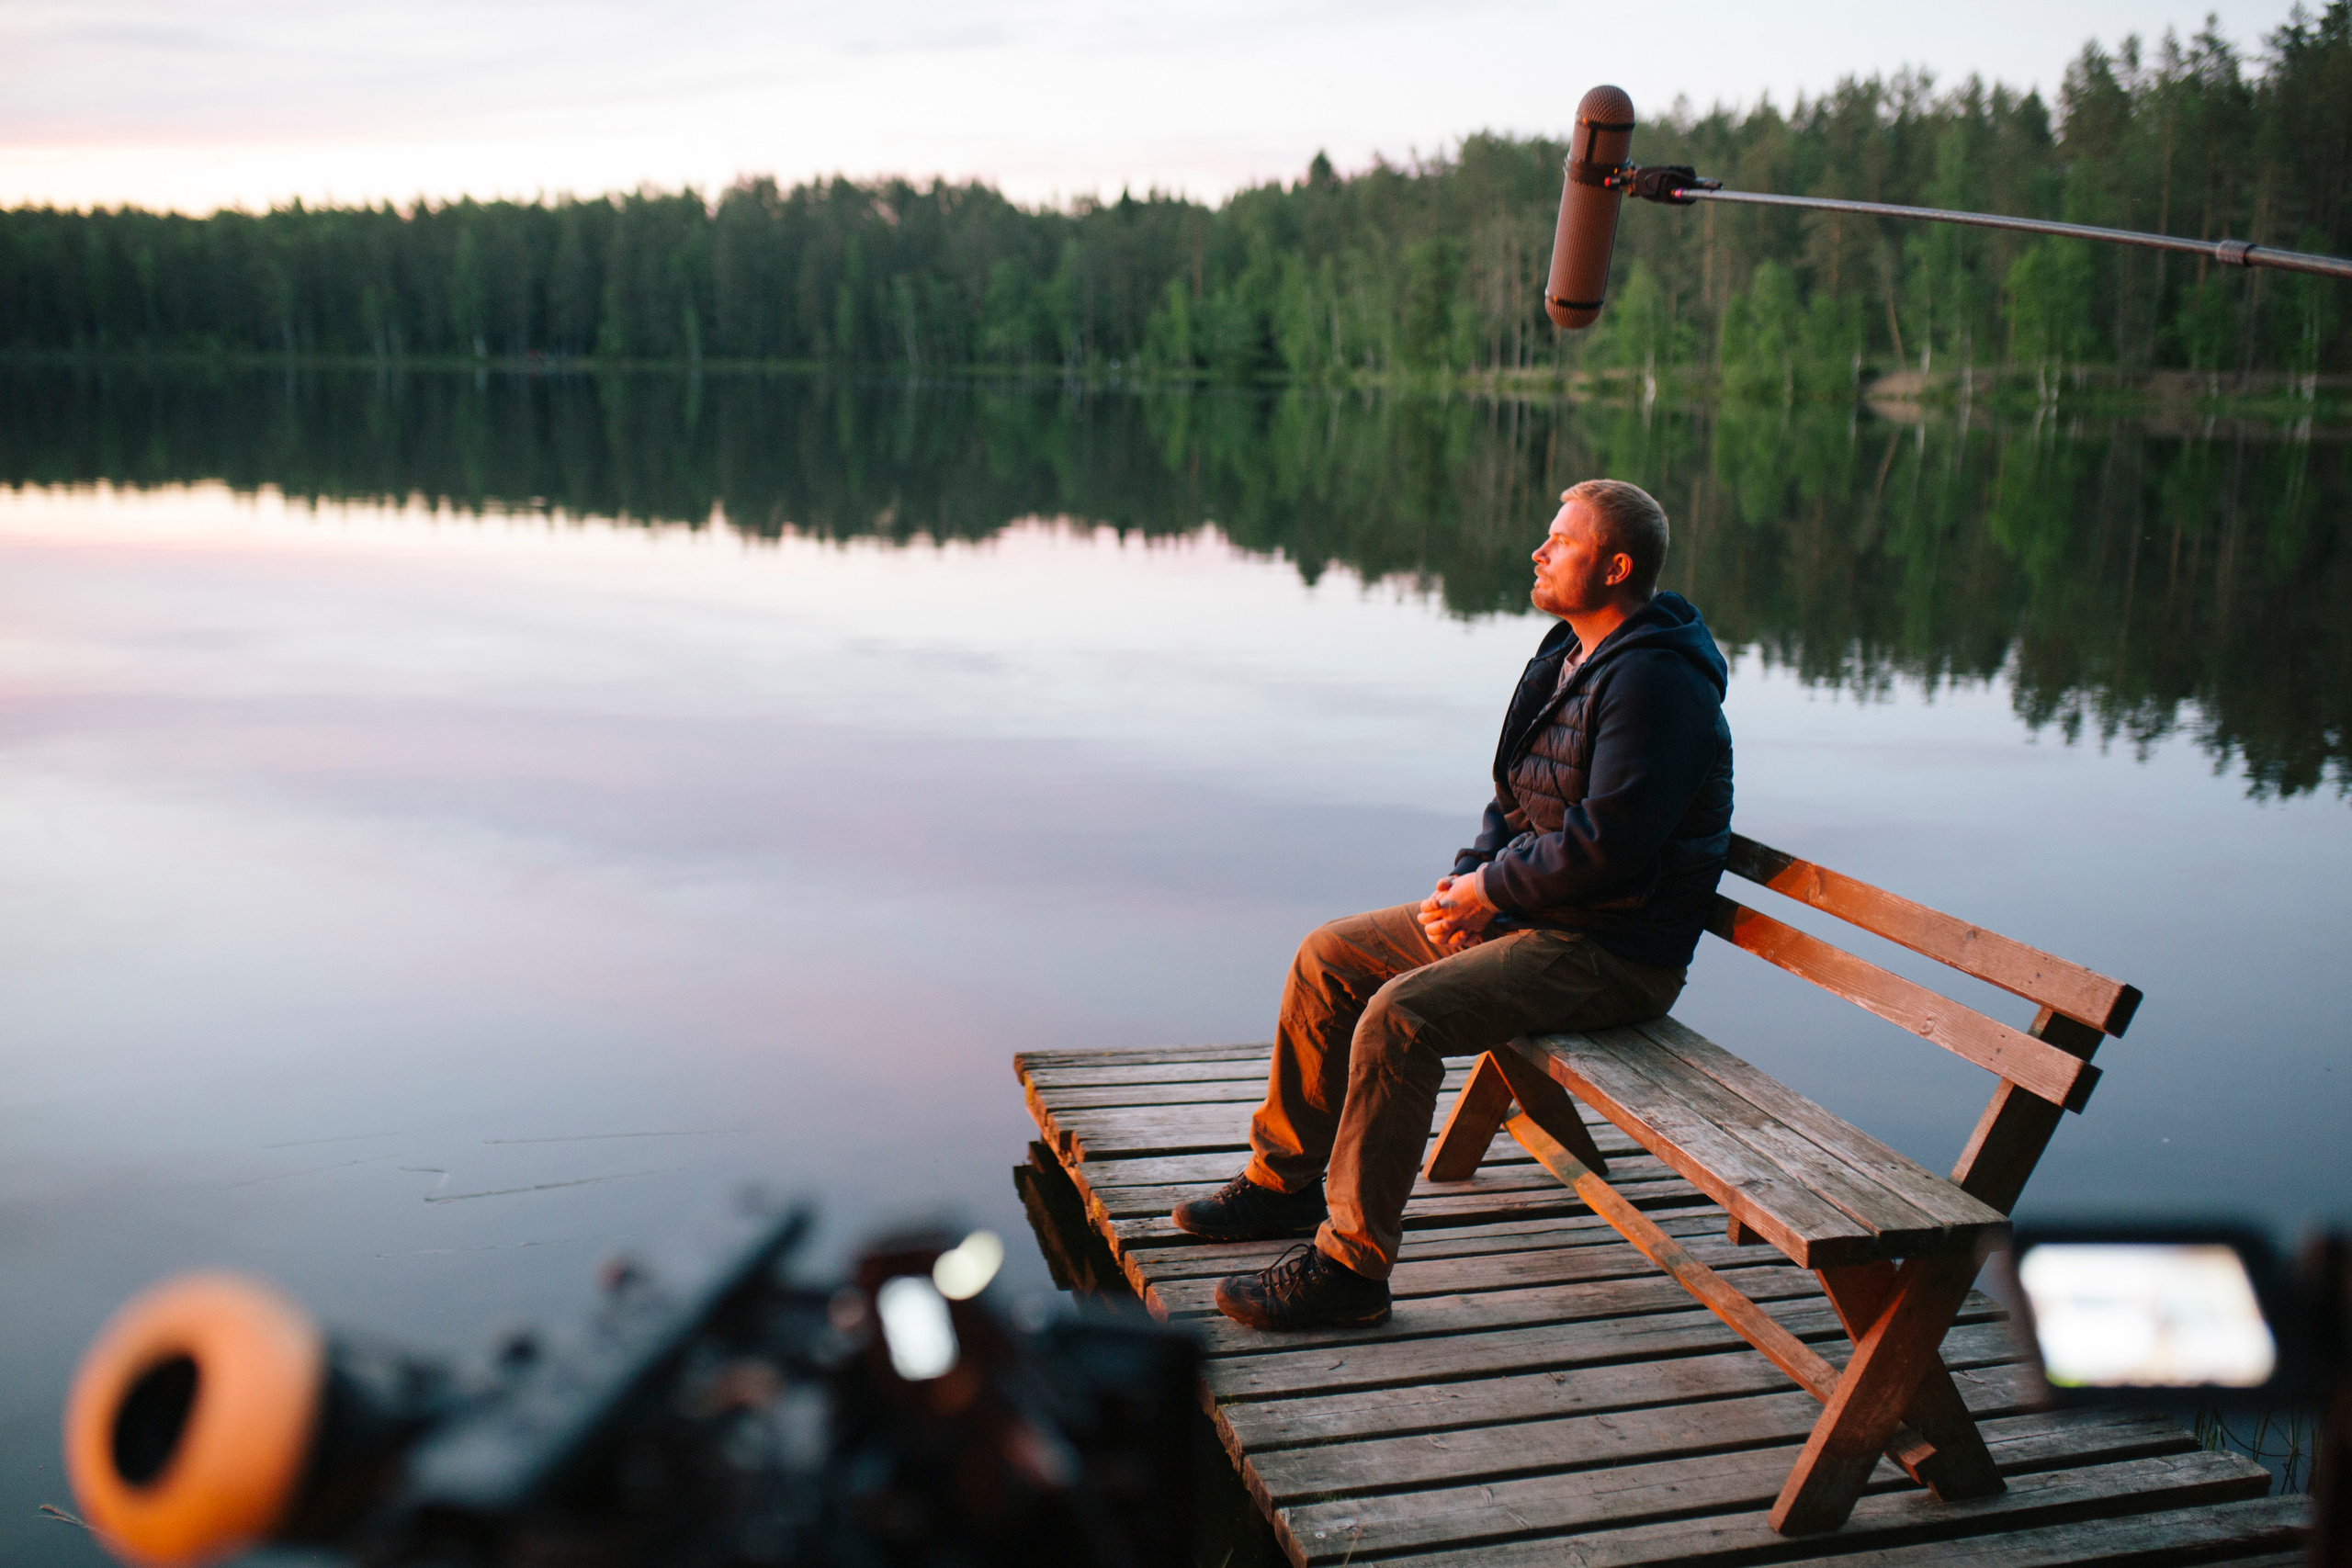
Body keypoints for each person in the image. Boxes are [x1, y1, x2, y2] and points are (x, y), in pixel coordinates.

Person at [1169, 479, 1734, 1331]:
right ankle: (1284, 1182)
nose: (1539, 551)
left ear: (1615, 567)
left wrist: (1490, 891)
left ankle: (1353, 1269)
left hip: (1615, 949)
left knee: (1400, 1018)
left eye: (1562, 541)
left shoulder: (1660, 684)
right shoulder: (1566, 653)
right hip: (1536, 915)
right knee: (1333, 955)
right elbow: (1515, 799)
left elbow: (1608, 844)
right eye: (1546, 536)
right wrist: (1464, 884)